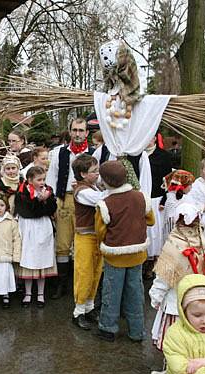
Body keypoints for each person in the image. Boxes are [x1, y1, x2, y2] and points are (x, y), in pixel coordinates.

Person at [149, 203, 205, 374]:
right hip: (196, 298)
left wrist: (156, 297)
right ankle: (192, 369)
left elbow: (164, 276)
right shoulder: (202, 240)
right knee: (191, 340)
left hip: (175, 303)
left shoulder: (175, 243)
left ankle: (171, 373)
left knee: (173, 341)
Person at [95, 161, 155, 342]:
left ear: (105, 181)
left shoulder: (105, 204)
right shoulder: (141, 197)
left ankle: (108, 328)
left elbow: (100, 231)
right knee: (135, 293)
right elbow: (150, 220)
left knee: (111, 293)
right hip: (137, 255)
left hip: (115, 255)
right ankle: (137, 331)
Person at [46, 117, 96, 299]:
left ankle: (85, 283)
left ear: (87, 133)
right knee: (63, 244)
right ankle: (62, 283)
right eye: (75, 130)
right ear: (70, 131)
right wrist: (53, 203)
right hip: (65, 199)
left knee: (86, 242)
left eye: (81, 130)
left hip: (87, 201)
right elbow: (51, 179)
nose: (77, 134)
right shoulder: (59, 152)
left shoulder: (94, 153)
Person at [70, 154, 105, 330]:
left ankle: (89, 307)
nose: (98, 173)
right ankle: (78, 311)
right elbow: (101, 200)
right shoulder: (83, 191)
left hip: (97, 236)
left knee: (96, 272)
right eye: (94, 171)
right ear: (83, 174)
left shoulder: (93, 186)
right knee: (84, 273)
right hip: (85, 237)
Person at [15, 166, 57, 308]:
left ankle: (40, 293)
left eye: (43, 179)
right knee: (29, 258)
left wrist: (46, 200)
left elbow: (52, 209)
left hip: (43, 227)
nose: (42, 182)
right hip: (28, 227)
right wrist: (38, 202)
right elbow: (26, 212)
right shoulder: (22, 192)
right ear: (30, 180)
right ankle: (27, 293)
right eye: (39, 179)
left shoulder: (48, 191)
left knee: (42, 259)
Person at [145, 135, 173, 275]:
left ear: (155, 138)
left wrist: (165, 199)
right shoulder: (137, 154)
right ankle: (143, 259)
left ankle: (154, 262)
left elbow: (169, 179)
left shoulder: (163, 156)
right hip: (142, 197)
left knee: (156, 232)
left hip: (157, 199)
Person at [161, 169, 195, 243]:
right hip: (174, 236)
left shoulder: (184, 197)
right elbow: (170, 219)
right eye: (190, 185)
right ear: (183, 185)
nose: (191, 187)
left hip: (182, 233)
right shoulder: (171, 199)